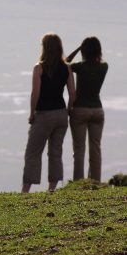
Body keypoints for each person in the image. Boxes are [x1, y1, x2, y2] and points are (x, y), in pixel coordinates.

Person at [22, 33, 75, 193]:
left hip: (43, 115)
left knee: (33, 152)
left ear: (44, 47)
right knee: (55, 152)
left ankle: (26, 190)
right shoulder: (66, 68)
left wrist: (32, 113)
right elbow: (72, 93)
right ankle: (52, 188)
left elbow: (35, 93)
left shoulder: (39, 67)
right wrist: (68, 110)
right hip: (61, 114)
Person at [66, 37, 108, 182]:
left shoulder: (79, 67)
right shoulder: (104, 67)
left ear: (84, 51)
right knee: (95, 149)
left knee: (79, 149)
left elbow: (65, 63)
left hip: (80, 110)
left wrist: (78, 48)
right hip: (97, 110)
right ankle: (95, 181)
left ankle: (78, 183)